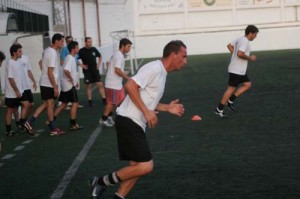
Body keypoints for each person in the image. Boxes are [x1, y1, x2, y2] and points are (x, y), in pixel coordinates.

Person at [89, 40, 187, 199]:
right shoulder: (154, 68)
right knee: (146, 166)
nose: (185, 61)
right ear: (173, 54)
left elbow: (148, 100)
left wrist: (167, 108)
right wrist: (146, 112)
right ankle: (101, 182)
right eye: (183, 56)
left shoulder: (162, 73)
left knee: (136, 168)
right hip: (129, 120)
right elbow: (130, 86)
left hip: (134, 122)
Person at [24, 33, 65, 136]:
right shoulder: (51, 53)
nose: (63, 43)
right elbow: (50, 72)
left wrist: (44, 75)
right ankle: (52, 128)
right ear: (56, 41)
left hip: (46, 82)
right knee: (50, 105)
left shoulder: (49, 51)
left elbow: (40, 63)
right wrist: (55, 86)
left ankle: (29, 122)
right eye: (61, 41)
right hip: (48, 84)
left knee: (47, 104)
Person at [215, 25, 259, 118]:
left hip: (240, 70)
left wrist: (234, 55)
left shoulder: (240, 39)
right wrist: (250, 58)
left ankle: (230, 101)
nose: (255, 37)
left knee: (247, 84)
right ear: (250, 33)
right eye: (255, 34)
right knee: (230, 89)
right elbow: (240, 54)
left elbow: (229, 45)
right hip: (236, 70)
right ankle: (219, 109)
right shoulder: (245, 41)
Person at [99, 38, 132, 127]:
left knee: (120, 100)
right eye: (128, 46)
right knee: (111, 103)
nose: (129, 48)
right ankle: (103, 119)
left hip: (117, 84)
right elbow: (117, 70)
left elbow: (110, 64)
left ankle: (110, 116)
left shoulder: (118, 55)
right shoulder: (119, 56)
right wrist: (127, 77)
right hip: (112, 84)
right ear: (123, 46)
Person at [51, 41, 83, 130]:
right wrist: (73, 81)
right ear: (73, 49)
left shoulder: (70, 58)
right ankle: (73, 124)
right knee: (75, 103)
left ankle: (51, 120)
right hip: (68, 85)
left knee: (64, 104)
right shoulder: (70, 58)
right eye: (77, 47)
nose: (78, 49)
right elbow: (66, 70)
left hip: (65, 85)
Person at [4, 43, 31, 136]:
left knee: (26, 104)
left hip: (20, 90)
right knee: (10, 110)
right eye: (20, 51)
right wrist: (16, 91)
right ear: (14, 53)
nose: (21, 53)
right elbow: (11, 78)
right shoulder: (10, 62)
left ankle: (21, 123)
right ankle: (8, 131)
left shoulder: (18, 62)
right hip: (12, 92)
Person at [78, 37, 106, 107]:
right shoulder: (81, 51)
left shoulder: (94, 49)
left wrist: (99, 63)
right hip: (87, 71)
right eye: (89, 42)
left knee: (100, 84)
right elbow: (76, 58)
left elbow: (100, 56)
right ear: (85, 42)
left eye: (91, 42)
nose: (90, 43)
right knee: (89, 86)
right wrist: (81, 65)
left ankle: (104, 99)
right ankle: (90, 101)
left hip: (95, 70)